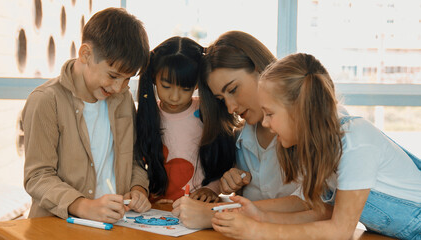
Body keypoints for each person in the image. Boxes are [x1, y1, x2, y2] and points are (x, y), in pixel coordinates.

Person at [211, 53, 421, 240]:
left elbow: (341, 231)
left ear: (299, 110)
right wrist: (261, 216)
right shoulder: (317, 148)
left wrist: (257, 232)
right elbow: (319, 210)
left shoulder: (355, 141)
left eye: (270, 114)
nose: (265, 123)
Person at [22, 7, 151, 223]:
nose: (119, 87)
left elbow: (135, 158)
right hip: (57, 228)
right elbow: (37, 177)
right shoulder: (46, 101)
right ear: (85, 54)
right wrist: (83, 206)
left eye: (127, 79)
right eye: (113, 75)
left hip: (116, 225)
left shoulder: (123, 100)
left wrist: (138, 189)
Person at [172, 31, 299, 228]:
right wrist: (231, 186)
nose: (231, 108)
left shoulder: (306, 126)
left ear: (260, 70)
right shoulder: (240, 139)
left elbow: (316, 204)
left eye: (233, 90)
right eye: (221, 100)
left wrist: (214, 213)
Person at [135, 36, 236, 204]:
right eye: (166, 86)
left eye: (185, 88)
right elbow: (137, 165)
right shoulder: (146, 115)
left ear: (197, 83)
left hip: (199, 206)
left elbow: (223, 161)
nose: (174, 97)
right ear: (153, 77)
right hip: (156, 209)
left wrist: (211, 189)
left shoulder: (207, 113)